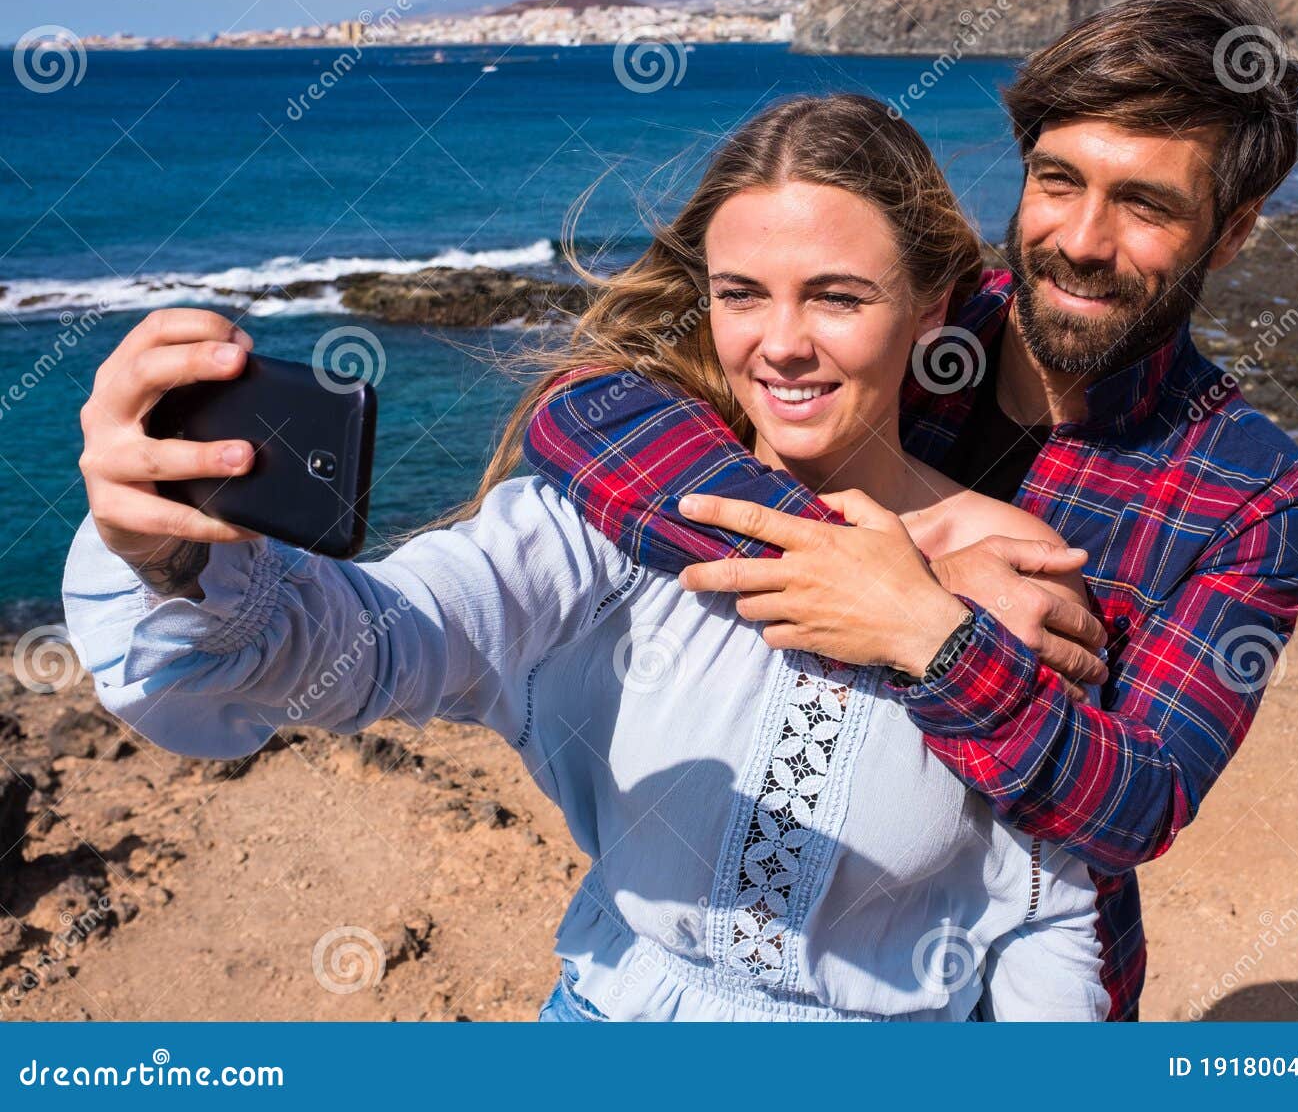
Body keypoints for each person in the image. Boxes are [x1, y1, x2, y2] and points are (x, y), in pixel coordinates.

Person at [64, 94, 1112, 1021]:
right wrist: (167, 559)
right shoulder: (607, 523)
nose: (781, 343)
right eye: (742, 292)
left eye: (836, 295)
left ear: (931, 306)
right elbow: (363, 644)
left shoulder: (1009, 573)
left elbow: (1041, 910)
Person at [520, 0, 1298, 1021]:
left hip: (1020, 990)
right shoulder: (886, 311)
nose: (1080, 238)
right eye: (1056, 180)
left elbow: (1141, 798)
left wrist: (937, 639)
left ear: (1231, 232)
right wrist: (904, 567)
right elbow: (590, 410)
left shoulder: (1250, 489)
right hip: (780, 939)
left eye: (1145, 204)